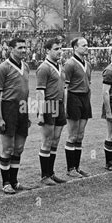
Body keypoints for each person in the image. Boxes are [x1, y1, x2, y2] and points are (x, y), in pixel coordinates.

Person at [0, 38, 31, 194]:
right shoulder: (3, 68)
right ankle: (6, 182)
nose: (23, 50)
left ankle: (15, 181)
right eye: (20, 47)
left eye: (25, 47)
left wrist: (27, 112)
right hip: (8, 108)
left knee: (19, 148)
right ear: (10, 49)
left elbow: (26, 91)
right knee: (8, 148)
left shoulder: (26, 66)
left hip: (22, 108)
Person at [36, 38, 68, 185]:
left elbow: (64, 89)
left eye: (60, 48)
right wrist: (41, 112)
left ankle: (51, 172)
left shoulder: (60, 66)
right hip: (49, 105)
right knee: (47, 141)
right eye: (56, 49)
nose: (59, 51)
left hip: (59, 105)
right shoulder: (44, 68)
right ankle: (44, 175)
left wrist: (65, 107)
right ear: (47, 51)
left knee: (55, 140)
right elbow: (40, 92)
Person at [63, 37, 92, 177]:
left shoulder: (88, 64)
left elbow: (89, 84)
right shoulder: (69, 64)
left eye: (87, 45)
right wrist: (65, 107)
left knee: (80, 135)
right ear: (75, 47)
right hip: (73, 99)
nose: (87, 47)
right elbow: (65, 87)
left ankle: (77, 167)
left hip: (85, 99)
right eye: (84, 45)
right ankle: (70, 169)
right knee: (73, 135)